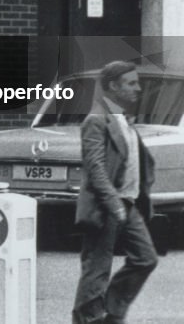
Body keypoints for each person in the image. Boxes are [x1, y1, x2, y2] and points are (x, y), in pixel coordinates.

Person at [72, 60, 157, 324]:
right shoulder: (96, 120)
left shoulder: (122, 118)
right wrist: (113, 203)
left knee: (146, 258)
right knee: (97, 268)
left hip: (128, 202)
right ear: (112, 86)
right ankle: (87, 318)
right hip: (106, 205)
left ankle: (112, 310)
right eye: (131, 83)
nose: (138, 88)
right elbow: (95, 168)